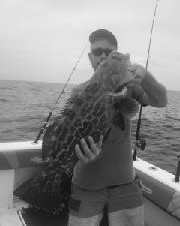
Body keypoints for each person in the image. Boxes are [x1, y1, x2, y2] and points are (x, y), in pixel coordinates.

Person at [67, 29, 167, 226]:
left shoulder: (130, 86)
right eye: (97, 52)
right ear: (90, 57)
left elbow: (161, 100)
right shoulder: (78, 92)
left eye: (110, 52)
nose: (103, 55)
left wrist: (145, 77)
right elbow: (71, 135)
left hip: (126, 185)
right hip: (86, 186)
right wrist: (79, 153)